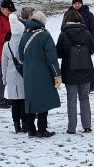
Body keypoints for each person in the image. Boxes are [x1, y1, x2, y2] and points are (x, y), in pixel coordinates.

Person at [19, 10, 60, 138]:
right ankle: (42, 129)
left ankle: (31, 129)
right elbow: (52, 57)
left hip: (28, 72)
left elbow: (21, 56)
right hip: (43, 72)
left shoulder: (24, 35)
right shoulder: (45, 35)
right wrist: (57, 74)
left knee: (31, 101)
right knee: (43, 100)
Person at [56, 9, 94, 134]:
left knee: (71, 99)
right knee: (85, 98)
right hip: (86, 69)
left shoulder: (63, 35)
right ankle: (87, 125)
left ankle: (71, 127)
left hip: (70, 70)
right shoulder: (86, 33)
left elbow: (58, 53)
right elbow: (92, 48)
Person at [1, 8, 31, 133]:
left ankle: (16, 125)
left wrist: (4, 78)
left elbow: (4, 63)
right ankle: (25, 124)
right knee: (23, 101)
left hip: (11, 76)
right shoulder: (25, 43)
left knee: (14, 102)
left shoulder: (6, 45)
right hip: (23, 74)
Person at [67, 0, 94, 92]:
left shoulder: (88, 14)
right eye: (75, 3)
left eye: (79, 3)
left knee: (88, 66)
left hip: (86, 43)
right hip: (72, 45)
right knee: (73, 66)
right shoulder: (68, 14)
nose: (77, 5)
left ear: (81, 3)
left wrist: (93, 42)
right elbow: (63, 29)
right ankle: (75, 85)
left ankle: (90, 85)